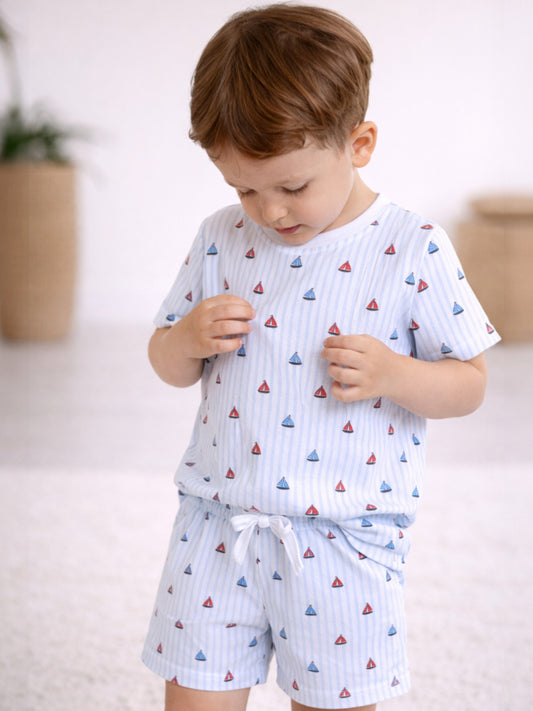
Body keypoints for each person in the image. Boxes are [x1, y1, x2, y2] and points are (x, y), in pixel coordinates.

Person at [142, 5, 500, 711]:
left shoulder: (411, 246)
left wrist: (394, 374)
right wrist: (184, 341)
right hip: (216, 524)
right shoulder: (221, 237)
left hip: (344, 537)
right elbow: (167, 363)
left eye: (292, 187)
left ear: (359, 143)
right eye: (244, 188)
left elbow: (470, 385)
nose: (269, 211)